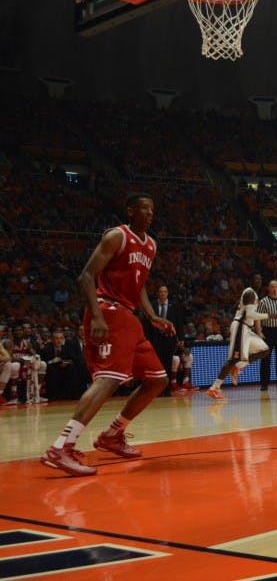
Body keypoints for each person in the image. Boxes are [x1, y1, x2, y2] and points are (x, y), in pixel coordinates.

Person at [40, 193, 174, 477]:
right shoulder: (116, 236)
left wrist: (152, 316)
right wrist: (97, 316)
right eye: (144, 209)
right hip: (109, 311)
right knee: (108, 379)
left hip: (130, 317)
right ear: (130, 211)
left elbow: (138, 286)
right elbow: (86, 276)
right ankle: (61, 447)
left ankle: (112, 435)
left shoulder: (151, 244)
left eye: (153, 209)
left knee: (157, 380)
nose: (150, 214)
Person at [205, 287, 272, 400]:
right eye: (256, 279)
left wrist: (258, 329)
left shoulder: (253, 294)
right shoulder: (249, 292)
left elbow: (250, 313)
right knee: (232, 359)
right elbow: (250, 314)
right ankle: (214, 388)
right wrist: (267, 316)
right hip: (240, 327)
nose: (258, 282)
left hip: (247, 329)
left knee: (265, 350)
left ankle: (238, 367)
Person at [146, 285, 188, 395]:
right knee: (157, 363)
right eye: (160, 292)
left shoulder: (174, 306)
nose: (162, 294)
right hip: (155, 339)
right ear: (158, 293)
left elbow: (179, 322)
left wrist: (181, 337)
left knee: (168, 363)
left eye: (164, 292)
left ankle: (167, 388)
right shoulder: (152, 305)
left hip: (170, 339)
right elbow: (147, 323)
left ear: (167, 293)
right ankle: (156, 389)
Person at [256, 279, 277, 390]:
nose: (275, 288)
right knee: (266, 359)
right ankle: (264, 384)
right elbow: (258, 317)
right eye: (272, 286)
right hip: (268, 331)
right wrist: (259, 331)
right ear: (269, 288)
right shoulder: (263, 301)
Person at [41, 329, 86, 401]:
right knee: (52, 369)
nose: (59, 340)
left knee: (72, 368)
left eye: (61, 338)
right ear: (52, 339)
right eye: (56, 338)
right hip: (52, 369)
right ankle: (54, 396)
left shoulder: (68, 346)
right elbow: (43, 362)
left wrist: (63, 361)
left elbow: (73, 359)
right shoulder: (47, 348)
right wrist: (52, 361)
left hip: (65, 367)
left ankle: (72, 395)